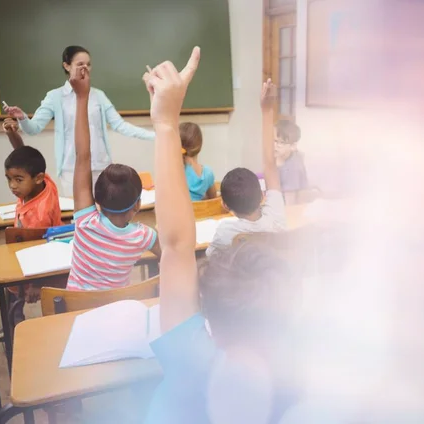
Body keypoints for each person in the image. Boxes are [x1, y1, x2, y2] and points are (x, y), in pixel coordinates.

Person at [142, 51, 309, 424]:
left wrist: (166, 123)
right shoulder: (307, 387)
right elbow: (272, 171)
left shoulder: (192, 363)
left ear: (210, 326)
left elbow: (176, 246)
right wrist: (267, 113)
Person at [3, 45, 156, 197]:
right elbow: (33, 128)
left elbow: (120, 125)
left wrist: (156, 136)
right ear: (67, 66)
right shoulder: (55, 96)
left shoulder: (99, 95)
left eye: (88, 64)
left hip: (101, 166)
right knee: (80, 215)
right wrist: (22, 117)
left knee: (103, 213)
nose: (85, 68)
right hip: (72, 169)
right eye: (80, 64)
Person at [65, 64, 160, 291]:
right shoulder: (143, 237)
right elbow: (169, 256)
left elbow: (83, 157)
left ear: (97, 200)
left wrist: (81, 97)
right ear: (138, 204)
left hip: (75, 315)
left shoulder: (85, 223)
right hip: (116, 315)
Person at [0, 119, 63, 341]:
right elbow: (23, 156)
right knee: (10, 287)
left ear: (38, 178)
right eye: (9, 179)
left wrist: (34, 284)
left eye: (18, 180)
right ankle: (13, 323)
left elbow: (39, 248)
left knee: (10, 286)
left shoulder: (39, 213)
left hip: (39, 261)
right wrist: (12, 135)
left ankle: (14, 329)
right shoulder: (45, 185)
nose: (12, 186)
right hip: (30, 252)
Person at [205, 80, 286, 256]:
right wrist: (267, 110)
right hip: (271, 282)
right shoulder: (276, 218)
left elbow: (210, 258)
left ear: (225, 205)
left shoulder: (226, 233)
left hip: (241, 284)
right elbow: (270, 166)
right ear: (263, 195)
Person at [180, 122, 216, 201]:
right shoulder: (207, 173)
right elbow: (213, 199)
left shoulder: (175, 171)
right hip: (200, 213)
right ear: (199, 146)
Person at [274, 120, 308, 203]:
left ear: (293, 146)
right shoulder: (279, 156)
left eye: (281, 142)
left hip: (293, 208)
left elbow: (290, 202)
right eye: (274, 140)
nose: (276, 146)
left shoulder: (292, 167)